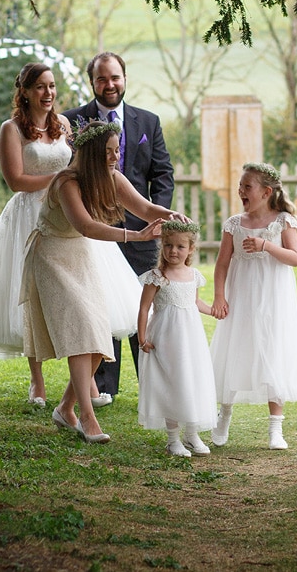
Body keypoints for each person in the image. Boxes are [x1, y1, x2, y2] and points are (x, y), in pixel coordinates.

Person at [0, 63, 136, 408]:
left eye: (51, 86)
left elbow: (79, 165)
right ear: (24, 92)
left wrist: (76, 185)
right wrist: (61, 180)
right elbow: (16, 180)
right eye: (40, 87)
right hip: (30, 215)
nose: (48, 93)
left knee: (85, 293)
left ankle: (84, 387)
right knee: (29, 297)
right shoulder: (12, 129)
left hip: (68, 212)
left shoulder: (64, 124)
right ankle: (37, 381)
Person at [20, 119, 187, 444]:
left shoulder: (111, 177)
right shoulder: (66, 182)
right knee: (82, 329)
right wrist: (135, 236)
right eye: (110, 152)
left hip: (81, 256)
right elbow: (86, 226)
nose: (115, 157)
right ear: (94, 153)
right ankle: (86, 416)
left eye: (117, 150)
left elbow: (143, 206)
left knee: (98, 333)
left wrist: (171, 216)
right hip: (52, 255)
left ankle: (64, 409)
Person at [62, 51, 174, 398]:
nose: (109, 85)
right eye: (101, 79)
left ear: (125, 78)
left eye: (115, 77)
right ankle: (101, 387)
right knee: (102, 307)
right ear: (91, 82)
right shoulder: (72, 121)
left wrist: (157, 219)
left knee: (145, 306)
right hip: (94, 233)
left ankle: (153, 384)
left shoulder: (148, 121)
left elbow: (162, 175)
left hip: (141, 232)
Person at [209, 162, 297, 450]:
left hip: (274, 296)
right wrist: (219, 296)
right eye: (240, 186)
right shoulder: (234, 224)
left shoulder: (283, 221)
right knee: (235, 347)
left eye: (246, 186)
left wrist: (266, 246)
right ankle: (223, 414)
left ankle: (276, 428)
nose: (241, 191)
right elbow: (222, 263)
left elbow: (295, 257)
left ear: (265, 192)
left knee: (273, 348)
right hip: (241, 294)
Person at [136, 221, 218, 458]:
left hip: (190, 338)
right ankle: (173, 440)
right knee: (172, 381)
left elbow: (194, 302)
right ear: (162, 246)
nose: (173, 251)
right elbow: (144, 309)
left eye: (180, 246)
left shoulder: (193, 275)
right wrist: (142, 338)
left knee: (192, 379)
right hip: (166, 338)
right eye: (168, 245)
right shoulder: (157, 277)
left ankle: (192, 434)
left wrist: (212, 310)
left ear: (191, 248)